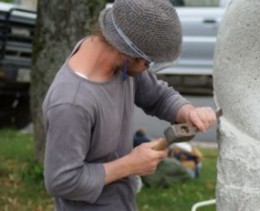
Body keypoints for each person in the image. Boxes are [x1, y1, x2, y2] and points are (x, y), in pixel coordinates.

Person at [42, 0, 217, 210]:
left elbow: (157, 96)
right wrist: (129, 165)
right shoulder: (71, 103)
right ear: (126, 53)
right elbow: (62, 181)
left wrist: (189, 112)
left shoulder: (115, 58)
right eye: (147, 63)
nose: (147, 70)